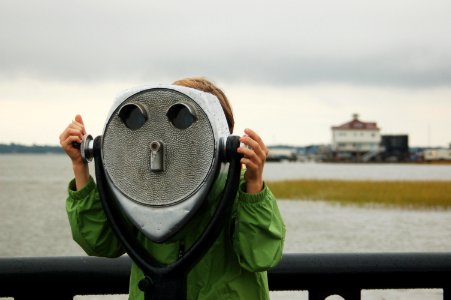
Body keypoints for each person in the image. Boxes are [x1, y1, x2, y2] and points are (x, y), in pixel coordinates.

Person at [60, 77, 285, 300]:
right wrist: (81, 165)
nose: (162, 138)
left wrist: (254, 185)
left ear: (223, 136)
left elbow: (260, 256)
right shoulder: (142, 186)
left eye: (184, 120)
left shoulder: (241, 190)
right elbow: (102, 244)